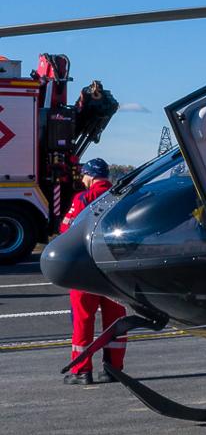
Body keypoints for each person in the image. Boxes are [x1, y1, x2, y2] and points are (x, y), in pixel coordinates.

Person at [63, 159, 125, 384]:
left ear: (90, 176)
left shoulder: (82, 198)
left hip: (86, 268)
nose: (82, 180)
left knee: (83, 319)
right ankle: (114, 368)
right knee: (115, 319)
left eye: (83, 176)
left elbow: (66, 229)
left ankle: (82, 371)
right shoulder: (121, 197)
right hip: (115, 269)